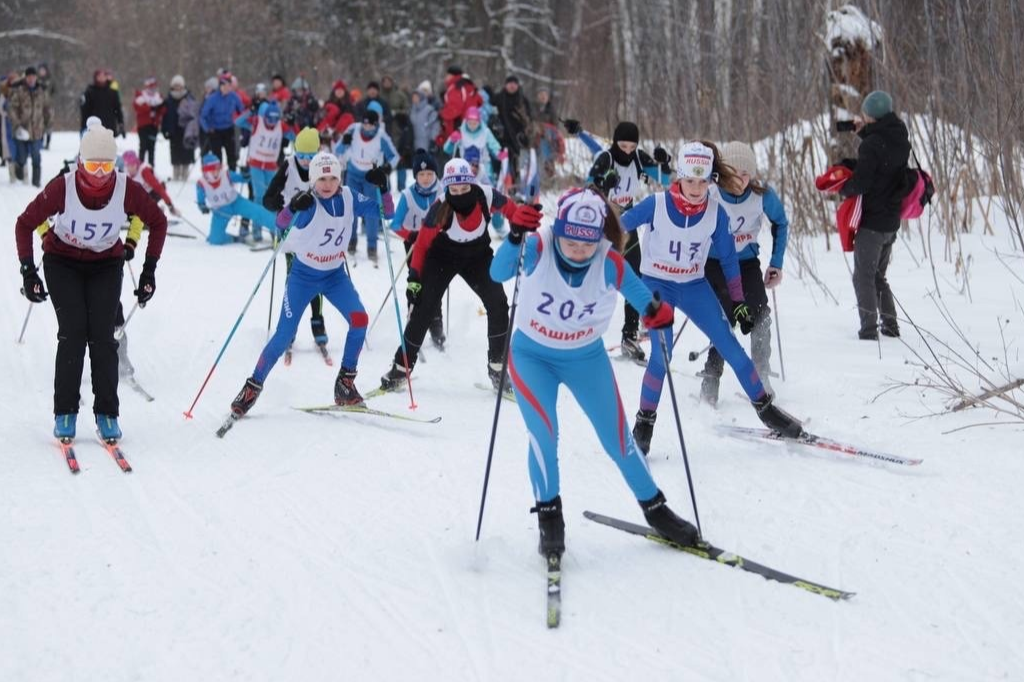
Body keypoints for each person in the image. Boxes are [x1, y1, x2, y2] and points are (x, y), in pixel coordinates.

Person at [490, 187, 700, 555]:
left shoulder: (608, 260)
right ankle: (549, 517)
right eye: (570, 241)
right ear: (559, 230)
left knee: (619, 440)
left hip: (585, 358)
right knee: (543, 434)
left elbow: (640, 296)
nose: (578, 250)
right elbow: (498, 272)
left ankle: (656, 509)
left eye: (587, 244)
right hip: (531, 357)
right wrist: (514, 236)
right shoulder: (539, 244)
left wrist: (656, 311)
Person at [620, 141, 803, 453]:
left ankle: (765, 409)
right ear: (679, 176)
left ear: (711, 181)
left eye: (703, 181)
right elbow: (619, 227)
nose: (696, 188)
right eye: (690, 180)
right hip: (657, 286)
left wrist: (739, 301)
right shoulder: (657, 204)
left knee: (730, 345)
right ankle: (644, 422)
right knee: (660, 356)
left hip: (693, 285)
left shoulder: (716, 213)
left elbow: (731, 261)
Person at [14, 123, 167, 441]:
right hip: (62, 263)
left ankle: (107, 414)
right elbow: (24, 223)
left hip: (105, 265)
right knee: (72, 334)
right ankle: (65, 412)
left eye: (106, 166)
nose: (99, 174)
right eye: (93, 165)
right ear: (81, 162)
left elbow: (158, 221)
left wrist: (149, 270)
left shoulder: (126, 188)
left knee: (103, 337)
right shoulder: (62, 187)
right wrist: (29, 271)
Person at [228, 152, 390, 419]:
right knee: (283, 336)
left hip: (335, 276)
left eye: (333, 178)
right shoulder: (310, 204)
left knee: (359, 320)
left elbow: (387, 213)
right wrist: (292, 207)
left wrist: (382, 187)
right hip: (303, 276)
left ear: (340, 179)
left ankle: (345, 384)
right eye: (321, 178)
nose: (327, 184)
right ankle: (252, 387)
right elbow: (280, 223)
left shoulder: (349, 197)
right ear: (313, 180)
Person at [379, 158, 540, 392]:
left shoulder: (486, 195)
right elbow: (422, 246)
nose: (460, 193)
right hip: (442, 257)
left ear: (472, 184)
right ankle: (400, 369)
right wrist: (414, 278)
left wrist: (525, 216)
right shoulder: (439, 208)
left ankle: (497, 367)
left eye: (464, 188)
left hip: (477, 256)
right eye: (454, 189)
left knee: (498, 303)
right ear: (447, 188)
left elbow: (513, 212)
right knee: (423, 309)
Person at [564, 118, 673, 362]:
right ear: (615, 143)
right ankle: (575, 331)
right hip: (604, 222)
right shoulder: (606, 158)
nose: (627, 151)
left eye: (631, 147)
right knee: (592, 278)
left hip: (628, 222)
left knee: (634, 277)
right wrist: (603, 184)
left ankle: (629, 336)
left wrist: (665, 163)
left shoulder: (639, 158)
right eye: (623, 146)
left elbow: (665, 181)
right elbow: (587, 188)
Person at [700, 141, 789, 404]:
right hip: (715, 263)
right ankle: (711, 377)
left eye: (745, 174)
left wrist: (776, 263)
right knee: (727, 317)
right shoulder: (711, 193)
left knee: (759, 312)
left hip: (747, 262)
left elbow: (781, 223)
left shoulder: (762, 195)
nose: (739, 180)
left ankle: (760, 372)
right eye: (733, 174)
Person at [839, 90, 911, 340]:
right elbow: (884, 154)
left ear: (871, 116)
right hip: (891, 221)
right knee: (877, 275)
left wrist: (842, 188)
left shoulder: (873, 144)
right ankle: (890, 325)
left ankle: (869, 331)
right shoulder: (901, 135)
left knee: (863, 277)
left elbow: (863, 181)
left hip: (872, 222)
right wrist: (865, 132)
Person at [264, 127, 331, 353]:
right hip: (291, 233)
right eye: (301, 155)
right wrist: (283, 207)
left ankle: (317, 320)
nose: (305, 161)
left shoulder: (323, 168)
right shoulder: (288, 166)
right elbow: (268, 198)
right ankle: (289, 326)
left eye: (310, 157)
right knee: (293, 279)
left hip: (316, 233)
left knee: (317, 276)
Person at [390, 150, 445, 348]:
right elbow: (395, 225)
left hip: (437, 243)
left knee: (436, 281)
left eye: (429, 174)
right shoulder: (407, 195)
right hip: (413, 244)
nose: (426, 178)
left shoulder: (443, 193)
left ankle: (436, 320)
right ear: (415, 176)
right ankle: (414, 315)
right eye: (421, 175)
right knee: (417, 280)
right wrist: (412, 236)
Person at [334, 101, 397, 264]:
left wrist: (387, 168)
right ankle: (351, 241)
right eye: (365, 124)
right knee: (350, 209)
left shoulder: (381, 136)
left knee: (372, 213)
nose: (366, 128)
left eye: (370, 126)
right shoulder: (353, 129)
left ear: (376, 125)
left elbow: (394, 156)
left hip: (370, 178)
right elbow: (337, 150)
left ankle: (372, 246)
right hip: (353, 174)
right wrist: (345, 142)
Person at [196, 152, 277, 245]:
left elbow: (242, 178)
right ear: (205, 171)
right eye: (212, 169)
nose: (216, 172)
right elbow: (200, 200)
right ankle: (233, 238)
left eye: (218, 168)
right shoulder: (201, 183)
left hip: (236, 202)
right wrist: (202, 206)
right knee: (215, 240)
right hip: (221, 210)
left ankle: (281, 229)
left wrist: (245, 174)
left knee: (258, 212)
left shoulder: (226, 174)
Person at [234, 101, 291, 208]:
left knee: (273, 195)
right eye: (269, 120)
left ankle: (272, 222)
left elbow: (294, 137)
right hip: (256, 164)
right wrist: (250, 112)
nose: (272, 123)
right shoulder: (256, 122)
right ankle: (256, 224)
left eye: (275, 120)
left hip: (271, 166)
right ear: (264, 117)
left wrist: (292, 124)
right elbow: (238, 121)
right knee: (259, 196)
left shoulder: (281, 125)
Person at [8, 65, 52, 187]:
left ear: (36, 77)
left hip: (37, 130)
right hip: (21, 130)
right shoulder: (20, 91)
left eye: (33, 76)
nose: (31, 79)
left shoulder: (42, 91)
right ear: (26, 77)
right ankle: (19, 168)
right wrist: (17, 125)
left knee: (36, 156)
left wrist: (48, 124)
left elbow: (47, 109)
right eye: (29, 76)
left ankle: (36, 182)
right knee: (21, 157)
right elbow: (12, 109)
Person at [490, 75, 532, 187]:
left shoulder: (523, 100)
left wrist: (526, 134)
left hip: (519, 138)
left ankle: (516, 185)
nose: (512, 86)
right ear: (505, 85)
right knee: (503, 163)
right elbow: (489, 109)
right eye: (510, 83)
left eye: (514, 84)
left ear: (518, 86)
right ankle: (502, 185)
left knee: (518, 165)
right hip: (502, 138)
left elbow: (529, 119)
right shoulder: (499, 98)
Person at [200, 74, 245, 170]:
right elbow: (203, 116)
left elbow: (242, 110)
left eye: (228, 86)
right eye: (224, 86)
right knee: (217, 156)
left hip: (229, 129)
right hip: (215, 130)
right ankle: (218, 176)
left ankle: (232, 176)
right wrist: (207, 128)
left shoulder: (234, 96)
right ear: (220, 86)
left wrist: (240, 120)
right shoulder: (212, 98)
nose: (226, 88)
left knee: (232, 155)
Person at [121, 150, 181, 216]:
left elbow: (159, 189)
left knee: (143, 205)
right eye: (128, 165)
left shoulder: (144, 171)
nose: (131, 168)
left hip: (156, 190)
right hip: (144, 191)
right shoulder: (126, 172)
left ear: (136, 163)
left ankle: (156, 212)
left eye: (133, 165)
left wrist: (170, 206)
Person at [162, 75, 197, 181]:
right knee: (175, 153)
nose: (178, 88)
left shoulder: (189, 98)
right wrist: (164, 130)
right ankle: (176, 174)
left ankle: (185, 174)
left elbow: (194, 115)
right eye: (175, 86)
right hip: (173, 131)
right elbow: (164, 116)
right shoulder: (168, 100)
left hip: (187, 131)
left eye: (179, 86)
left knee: (186, 152)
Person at [80, 69, 124, 136]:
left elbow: (118, 109)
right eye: (99, 76)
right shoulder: (89, 92)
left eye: (103, 76)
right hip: (94, 126)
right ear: (95, 77)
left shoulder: (112, 92)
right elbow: (85, 111)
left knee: (108, 145)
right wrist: (84, 126)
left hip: (109, 126)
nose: (101, 78)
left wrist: (121, 123)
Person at [133, 77, 165, 166]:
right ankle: (140, 167)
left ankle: (151, 169)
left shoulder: (158, 97)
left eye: (154, 87)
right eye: (151, 87)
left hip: (153, 126)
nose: (152, 90)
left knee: (152, 148)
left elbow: (163, 109)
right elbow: (137, 107)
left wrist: (158, 109)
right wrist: (150, 108)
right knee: (143, 147)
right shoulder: (141, 96)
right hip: (143, 126)